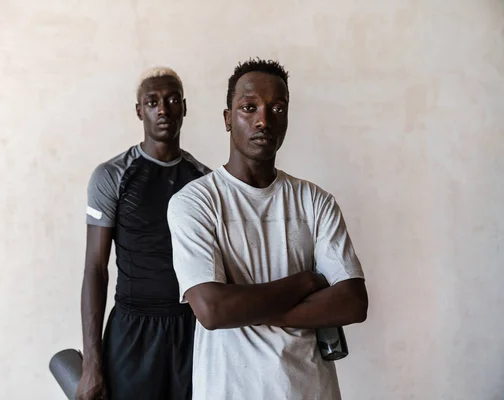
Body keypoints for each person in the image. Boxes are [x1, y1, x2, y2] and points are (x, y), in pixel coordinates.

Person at [167, 59, 368, 400]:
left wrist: (243, 308)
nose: (264, 120)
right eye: (249, 107)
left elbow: (352, 303)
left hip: (310, 390)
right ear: (228, 119)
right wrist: (307, 282)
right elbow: (212, 311)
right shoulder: (196, 202)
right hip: (229, 390)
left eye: (277, 108)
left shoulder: (315, 201)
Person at [76, 67, 210, 400]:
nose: (163, 109)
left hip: (190, 331)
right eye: (152, 102)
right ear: (139, 111)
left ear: (184, 107)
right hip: (132, 331)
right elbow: (95, 268)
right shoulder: (111, 176)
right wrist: (92, 364)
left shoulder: (205, 181)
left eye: (171, 100)